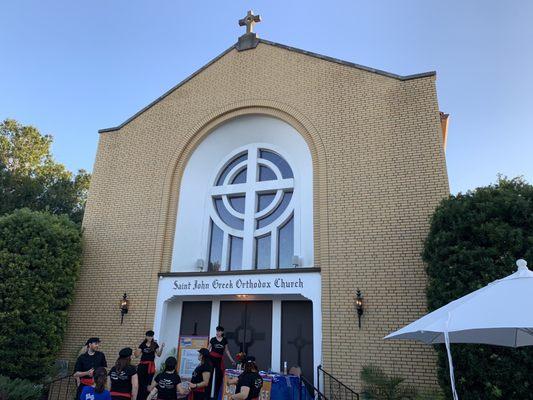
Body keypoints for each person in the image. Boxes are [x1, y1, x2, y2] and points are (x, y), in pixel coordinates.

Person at [135, 330, 165, 400]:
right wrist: (136, 349)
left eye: (151, 336)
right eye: (149, 336)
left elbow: (159, 354)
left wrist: (162, 347)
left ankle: (146, 397)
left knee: (148, 383)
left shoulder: (154, 344)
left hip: (150, 366)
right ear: (146, 336)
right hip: (142, 366)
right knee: (140, 382)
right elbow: (136, 355)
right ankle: (139, 397)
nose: (150, 337)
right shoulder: (142, 344)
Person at [208, 326, 234, 399]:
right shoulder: (213, 339)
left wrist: (231, 360)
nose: (217, 333)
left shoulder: (224, 340)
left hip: (219, 360)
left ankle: (216, 396)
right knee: (209, 377)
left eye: (219, 331)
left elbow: (227, 351)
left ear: (222, 332)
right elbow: (208, 349)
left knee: (219, 378)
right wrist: (204, 359)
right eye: (217, 331)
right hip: (211, 359)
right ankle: (207, 396)